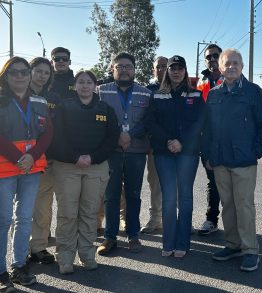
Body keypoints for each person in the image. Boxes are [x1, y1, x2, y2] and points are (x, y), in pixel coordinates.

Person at [0, 57, 53, 292]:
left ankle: (19, 266)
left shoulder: (40, 101)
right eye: (14, 72)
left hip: (30, 169)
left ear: (29, 75)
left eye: (24, 72)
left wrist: (32, 157)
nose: (20, 76)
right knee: (2, 220)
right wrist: (18, 157)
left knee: (24, 219)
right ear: (5, 76)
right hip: (3, 170)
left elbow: (48, 132)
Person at [203, 49, 262, 272]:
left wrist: (257, 151)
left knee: (244, 205)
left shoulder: (253, 91)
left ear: (241, 66)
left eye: (235, 63)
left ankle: (250, 250)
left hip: (244, 160)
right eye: (227, 63)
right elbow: (209, 129)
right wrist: (209, 156)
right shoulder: (214, 94)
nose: (231, 66)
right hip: (220, 160)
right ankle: (232, 245)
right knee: (228, 205)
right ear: (220, 68)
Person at [49, 70, 119, 274]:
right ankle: (65, 257)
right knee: (68, 213)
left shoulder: (105, 109)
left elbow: (112, 138)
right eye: (81, 82)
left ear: (95, 85)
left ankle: (87, 255)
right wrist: (75, 157)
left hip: (96, 167)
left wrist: (93, 158)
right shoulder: (64, 107)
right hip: (67, 166)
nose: (85, 85)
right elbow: (57, 137)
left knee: (89, 213)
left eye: (89, 82)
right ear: (75, 85)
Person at [145, 55, 205, 258]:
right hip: (164, 153)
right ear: (167, 71)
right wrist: (168, 141)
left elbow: (199, 123)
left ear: (185, 71)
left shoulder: (195, 95)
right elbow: (151, 123)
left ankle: (183, 243)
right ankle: (168, 242)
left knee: (185, 197)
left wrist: (182, 142)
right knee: (169, 198)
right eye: (173, 68)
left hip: (188, 153)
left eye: (180, 68)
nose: (176, 71)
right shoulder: (158, 95)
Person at [97, 52, 151, 255]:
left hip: (136, 151)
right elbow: (98, 118)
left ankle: (133, 235)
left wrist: (131, 134)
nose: (125, 70)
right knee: (110, 195)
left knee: (133, 194)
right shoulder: (101, 91)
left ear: (135, 69)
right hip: (111, 150)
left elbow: (148, 120)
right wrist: (118, 135)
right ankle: (110, 237)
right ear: (112, 68)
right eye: (120, 66)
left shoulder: (146, 93)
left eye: (128, 66)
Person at [27, 57, 61, 265]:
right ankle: (20, 251)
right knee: (21, 208)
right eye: (38, 71)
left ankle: (38, 247)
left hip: (45, 159)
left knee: (42, 206)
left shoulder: (53, 97)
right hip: (19, 160)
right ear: (30, 71)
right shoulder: (16, 93)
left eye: (46, 72)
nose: (42, 75)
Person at [196, 44, 224, 236]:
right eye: (209, 57)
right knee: (212, 181)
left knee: (231, 183)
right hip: (207, 141)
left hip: (229, 140)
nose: (212, 59)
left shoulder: (233, 77)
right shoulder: (200, 82)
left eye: (216, 56)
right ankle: (211, 219)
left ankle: (237, 223)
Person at [141, 56, 168, 234]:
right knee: (155, 183)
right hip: (154, 146)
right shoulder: (147, 91)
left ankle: (176, 219)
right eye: (158, 67)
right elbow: (145, 118)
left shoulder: (179, 89)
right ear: (153, 70)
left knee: (178, 185)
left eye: (165, 66)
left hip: (176, 146)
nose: (161, 70)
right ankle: (156, 219)